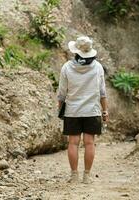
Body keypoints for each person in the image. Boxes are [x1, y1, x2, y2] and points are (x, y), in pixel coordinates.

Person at [57, 36, 109, 184]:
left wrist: (61, 110)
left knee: (73, 142)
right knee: (89, 143)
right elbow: (102, 92)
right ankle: (87, 176)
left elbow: (61, 93)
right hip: (92, 111)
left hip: (72, 111)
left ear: (76, 52)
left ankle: (74, 176)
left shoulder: (67, 67)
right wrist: (105, 111)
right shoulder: (98, 67)